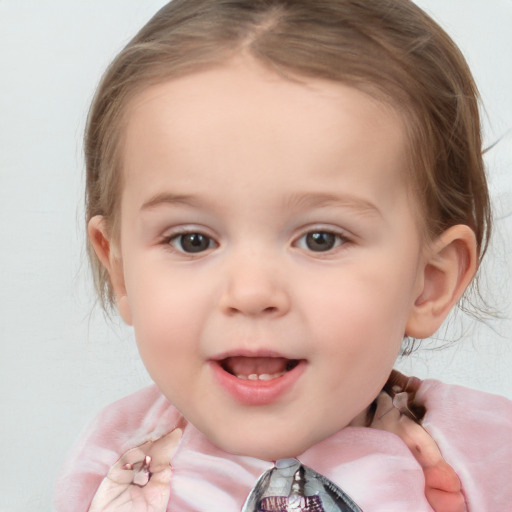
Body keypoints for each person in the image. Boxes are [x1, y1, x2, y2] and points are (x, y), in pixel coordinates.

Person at [54, 0, 512, 510]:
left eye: (321, 239)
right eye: (192, 240)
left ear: (429, 280)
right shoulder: (105, 466)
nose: (251, 293)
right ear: (119, 270)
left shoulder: (490, 459)